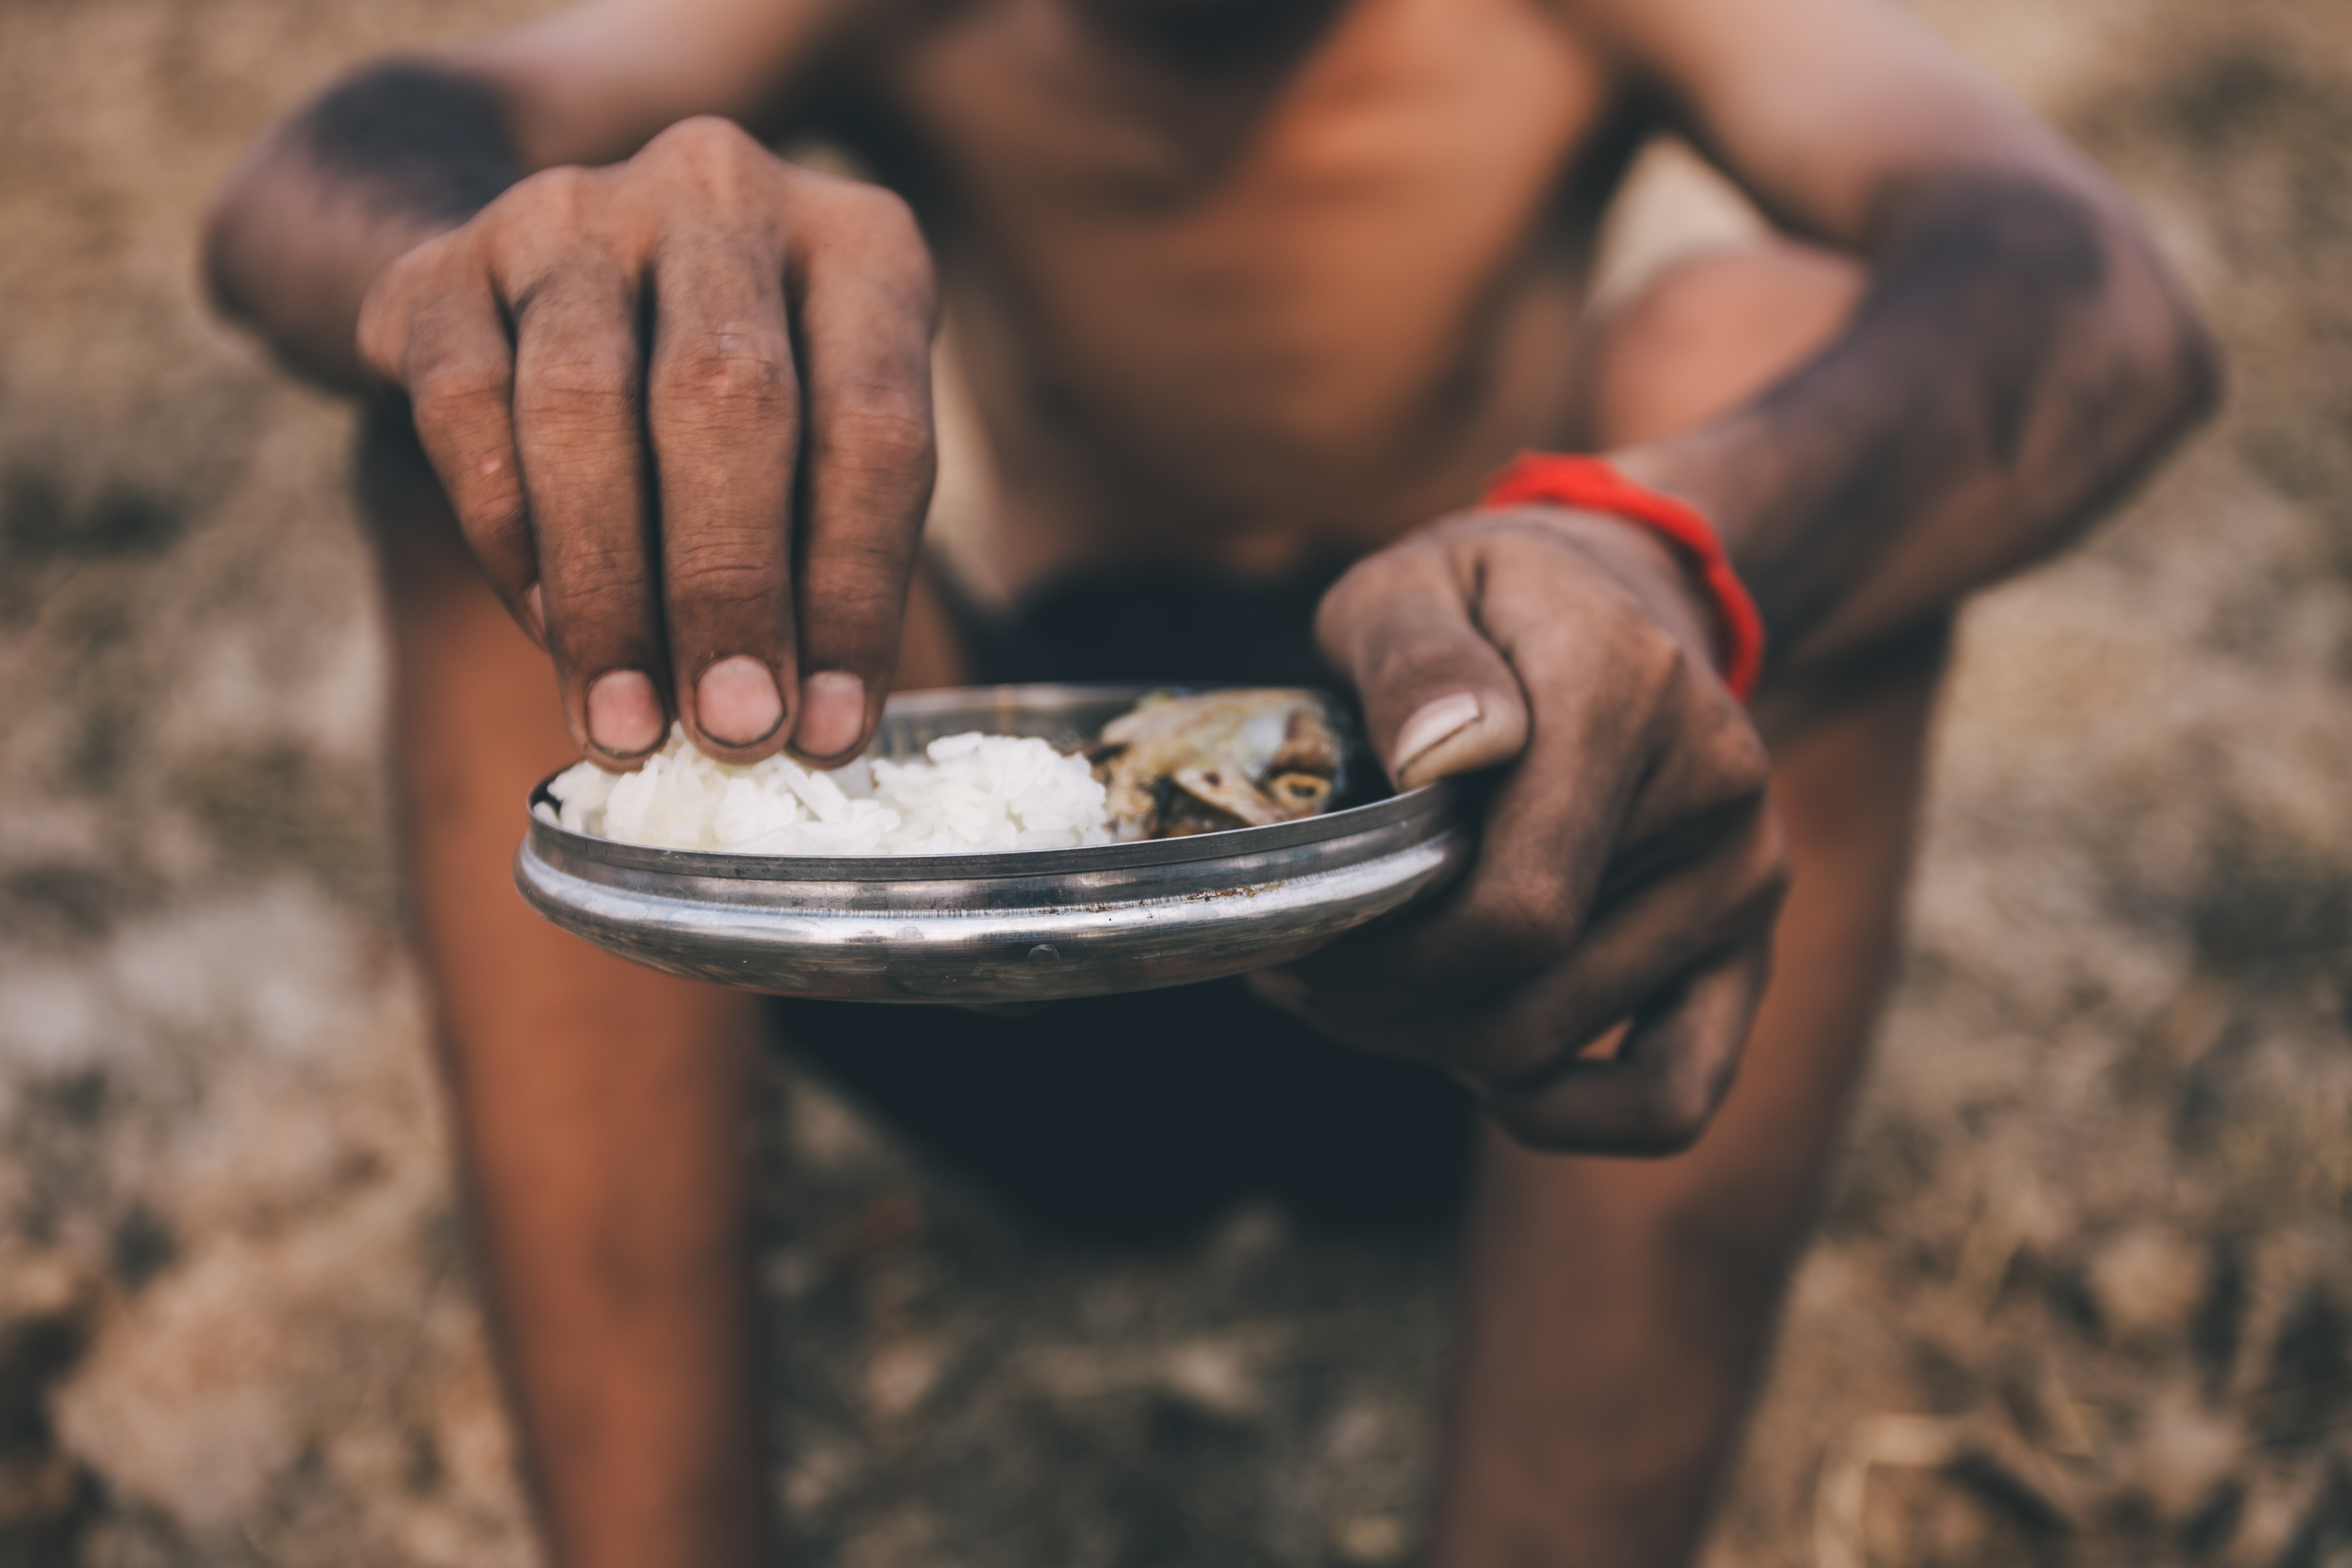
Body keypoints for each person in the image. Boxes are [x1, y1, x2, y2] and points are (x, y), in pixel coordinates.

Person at [202, 0, 2217, 1558]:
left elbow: (2080, 285)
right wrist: (534, 288)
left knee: (1766, 360)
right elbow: (318, 171)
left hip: (1507, 929)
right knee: (544, 418)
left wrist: (1674, 548)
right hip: (1021, 947)